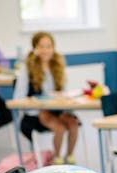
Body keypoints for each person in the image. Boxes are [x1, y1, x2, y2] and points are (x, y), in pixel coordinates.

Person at [13, 31, 79, 165]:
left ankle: (69, 156)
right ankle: (57, 159)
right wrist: (37, 102)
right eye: (41, 46)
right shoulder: (27, 68)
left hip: (57, 108)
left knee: (73, 123)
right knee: (59, 127)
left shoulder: (58, 65)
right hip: (37, 112)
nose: (45, 50)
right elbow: (18, 98)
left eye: (49, 46)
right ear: (35, 48)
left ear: (53, 48)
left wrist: (64, 98)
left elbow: (63, 91)